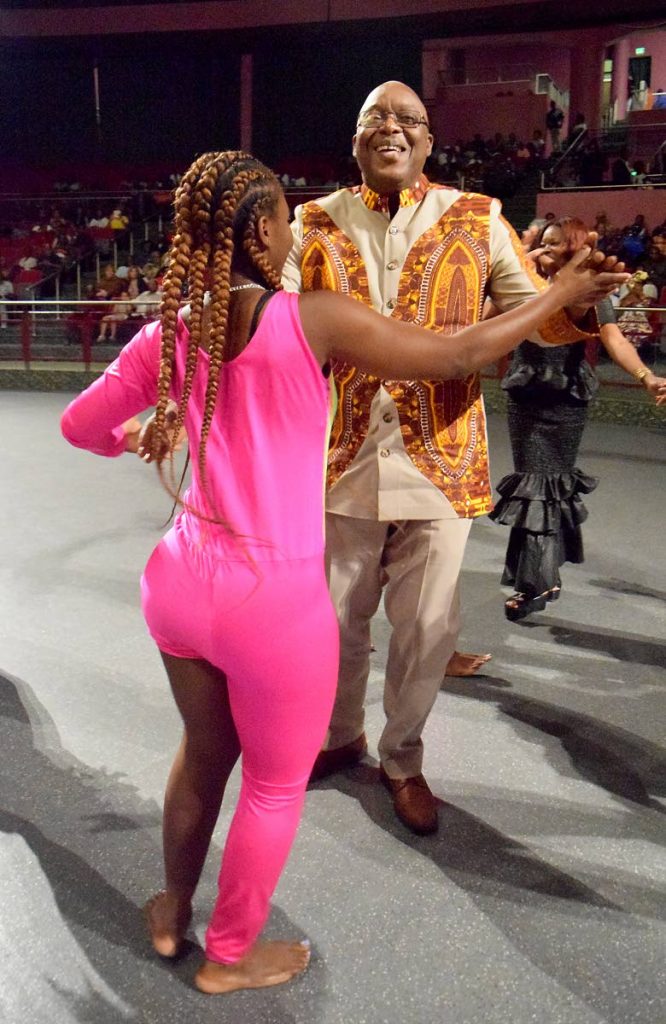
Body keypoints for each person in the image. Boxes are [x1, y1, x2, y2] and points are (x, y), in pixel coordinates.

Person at [60, 151, 626, 995]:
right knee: (275, 784)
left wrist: (133, 432)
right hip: (271, 602)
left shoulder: (166, 332)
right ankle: (228, 956)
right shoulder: (310, 319)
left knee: (202, 752)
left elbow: (80, 426)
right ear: (258, 231)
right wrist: (555, 296)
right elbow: (454, 353)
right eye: (284, 217)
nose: (294, 229)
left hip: (180, 583)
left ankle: (174, 910)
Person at [283, 80, 628, 835]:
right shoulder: (309, 224)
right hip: (338, 460)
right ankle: (340, 740)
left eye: (409, 119)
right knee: (336, 625)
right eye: (376, 116)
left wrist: (574, 304)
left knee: (429, 629)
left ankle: (402, 758)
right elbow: (278, 326)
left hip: (442, 460)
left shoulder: (479, 220)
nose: (392, 128)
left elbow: (534, 317)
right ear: (354, 139)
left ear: (431, 143)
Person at [489, 217, 666, 620]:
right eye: (543, 243)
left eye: (555, 244)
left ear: (572, 248)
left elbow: (613, 337)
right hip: (524, 395)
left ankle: (533, 584)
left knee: (542, 485)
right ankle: (539, 575)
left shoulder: (586, 290)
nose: (547, 249)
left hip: (564, 400)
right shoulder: (523, 283)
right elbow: (484, 319)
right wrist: (516, 269)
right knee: (536, 488)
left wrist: (645, 376)